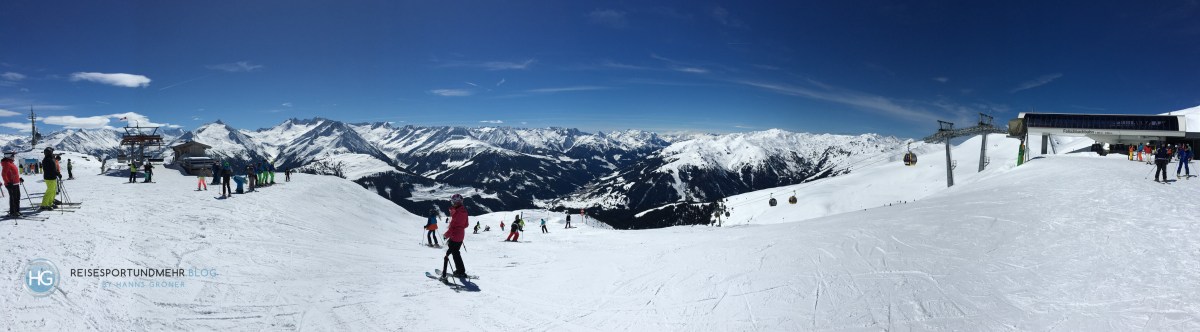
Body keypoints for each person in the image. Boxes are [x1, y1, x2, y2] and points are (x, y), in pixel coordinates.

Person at [442, 194, 469, 278]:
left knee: (452, 253)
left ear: (457, 202)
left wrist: (446, 235)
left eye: (453, 202)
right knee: (456, 253)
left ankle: (460, 271)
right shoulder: (463, 211)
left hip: (455, 237)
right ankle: (460, 270)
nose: (452, 203)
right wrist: (460, 229)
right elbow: (466, 224)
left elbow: (452, 227)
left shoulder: (457, 213)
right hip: (460, 236)